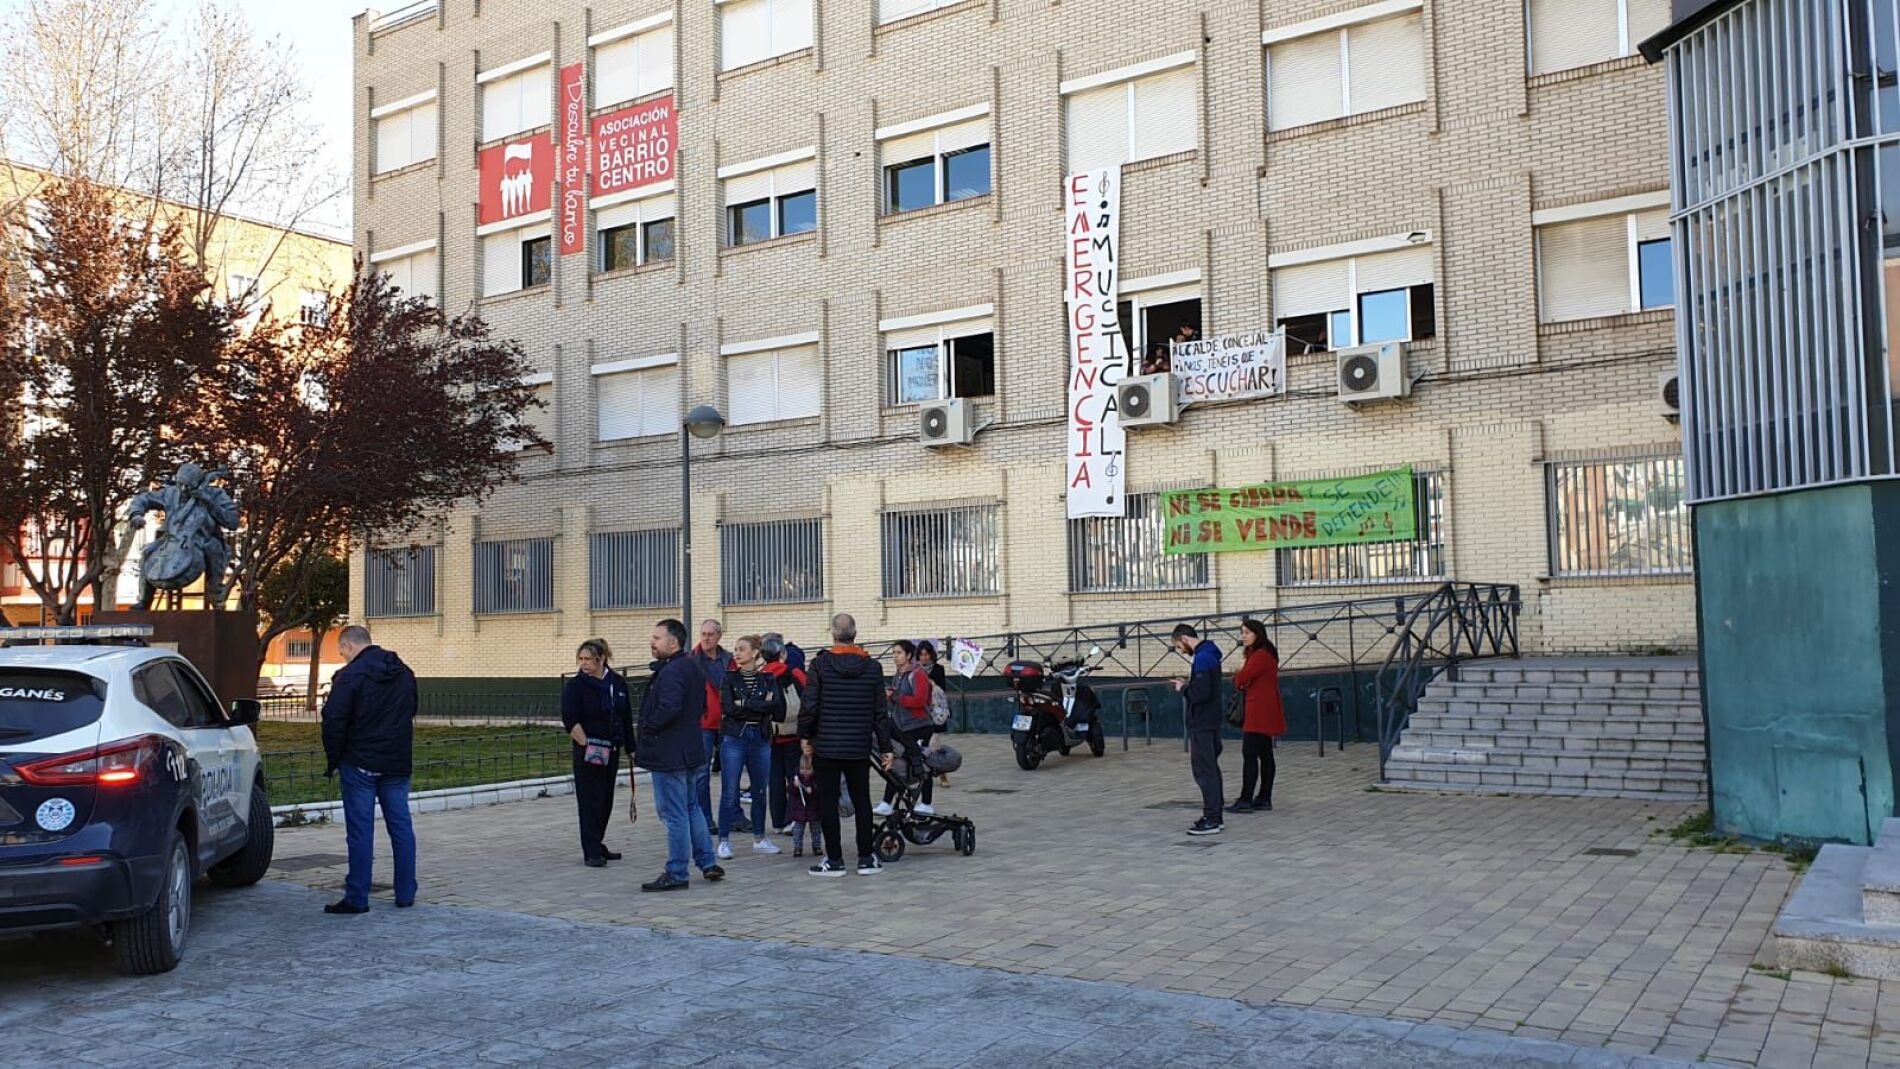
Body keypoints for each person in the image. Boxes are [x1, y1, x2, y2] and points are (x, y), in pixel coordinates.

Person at [319, 625, 419, 914]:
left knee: (360, 831)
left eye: (341, 651)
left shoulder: (350, 676)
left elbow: (334, 721)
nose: (343, 657)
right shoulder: (404, 672)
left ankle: (357, 897)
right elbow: (411, 710)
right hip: (396, 762)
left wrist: (334, 760)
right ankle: (405, 893)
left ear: (348, 646)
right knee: (401, 827)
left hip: (360, 763)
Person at [799, 613, 894, 877]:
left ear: (833, 633)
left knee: (828, 803)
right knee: (862, 800)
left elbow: (809, 705)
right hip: (858, 745)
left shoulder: (819, 665)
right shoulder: (873, 668)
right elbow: (880, 712)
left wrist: (805, 735)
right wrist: (886, 747)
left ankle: (835, 860)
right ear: (855, 634)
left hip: (827, 745)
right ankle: (866, 858)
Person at [636, 619, 725, 892]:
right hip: (689, 749)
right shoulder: (692, 666)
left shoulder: (673, 671)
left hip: (670, 753)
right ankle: (707, 862)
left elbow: (670, 707)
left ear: (673, 642)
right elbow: (700, 706)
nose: (652, 642)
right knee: (691, 807)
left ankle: (677, 872)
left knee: (674, 813)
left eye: (657, 638)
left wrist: (648, 727)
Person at [561, 638, 635, 867]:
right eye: (580, 659)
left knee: (605, 799)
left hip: (611, 749)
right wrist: (586, 744)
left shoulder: (617, 683)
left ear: (601, 659)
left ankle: (598, 841)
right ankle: (591, 849)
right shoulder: (576, 686)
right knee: (589, 800)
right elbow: (570, 719)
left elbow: (625, 716)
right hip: (589, 750)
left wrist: (630, 747)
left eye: (588, 659)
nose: (583, 664)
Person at [718, 635, 785, 859]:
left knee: (759, 790)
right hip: (735, 737)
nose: (736, 653)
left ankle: (759, 838)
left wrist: (745, 703)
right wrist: (759, 705)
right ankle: (724, 840)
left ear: (755, 653)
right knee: (730, 791)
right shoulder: (729, 678)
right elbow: (729, 708)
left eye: (742, 649)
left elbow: (775, 706)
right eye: (735, 649)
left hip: (760, 737)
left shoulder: (767, 678)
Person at [1170, 623, 1225, 837]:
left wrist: (1183, 688)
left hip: (1202, 722)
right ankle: (1215, 815)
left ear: (1184, 639)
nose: (1181, 650)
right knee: (1210, 769)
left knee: (1204, 771)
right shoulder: (1210, 654)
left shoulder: (1202, 658)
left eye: (1179, 646)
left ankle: (1212, 818)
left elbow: (1200, 694)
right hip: (1210, 721)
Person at [1230, 619, 1286, 814]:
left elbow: (1241, 678)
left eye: (1247, 632)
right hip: (1265, 709)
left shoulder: (1260, 655)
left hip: (1258, 711)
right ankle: (1263, 797)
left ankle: (1246, 799)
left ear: (1257, 634)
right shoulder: (1265, 653)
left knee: (1250, 755)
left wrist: (1238, 676)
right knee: (1265, 754)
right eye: (1242, 632)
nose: (1243, 636)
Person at [875, 640, 936, 817]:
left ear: (909, 655)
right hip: (902, 726)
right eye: (893, 653)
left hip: (919, 726)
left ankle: (926, 803)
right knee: (899, 764)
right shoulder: (899, 675)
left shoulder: (918, 674)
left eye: (899, 653)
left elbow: (920, 700)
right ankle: (888, 802)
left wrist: (895, 696)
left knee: (921, 762)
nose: (895, 656)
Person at [760, 632, 807, 835]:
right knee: (794, 777)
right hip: (794, 734)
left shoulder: (759, 676)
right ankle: (792, 818)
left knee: (774, 779)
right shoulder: (794, 673)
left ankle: (777, 822)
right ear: (783, 654)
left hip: (770, 736)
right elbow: (809, 698)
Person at [692, 620, 735, 833]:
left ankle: (733, 815)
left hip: (727, 722)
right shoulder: (692, 660)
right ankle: (705, 819)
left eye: (710, 634)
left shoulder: (728, 659)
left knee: (731, 771)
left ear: (719, 636)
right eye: (703, 634)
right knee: (701, 773)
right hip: (703, 723)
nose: (706, 638)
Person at [786, 751, 822, 859]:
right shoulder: (797, 777)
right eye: (802, 769)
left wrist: (813, 789)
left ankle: (817, 846)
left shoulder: (816, 778)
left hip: (814, 809)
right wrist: (794, 786)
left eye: (808, 769)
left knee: (816, 830)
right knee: (798, 831)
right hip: (799, 809)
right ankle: (797, 848)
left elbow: (820, 790)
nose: (805, 771)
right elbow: (790, 791)